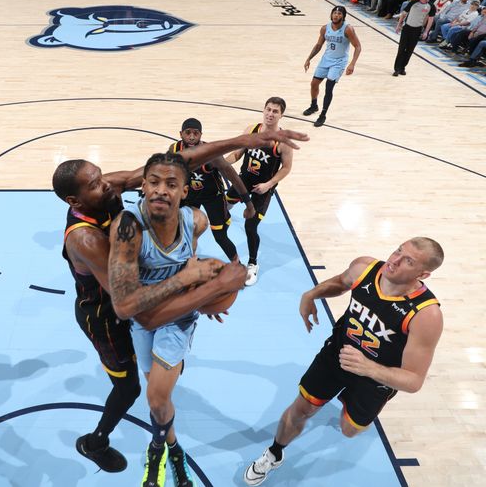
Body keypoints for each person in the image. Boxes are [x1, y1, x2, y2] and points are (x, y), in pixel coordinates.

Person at [54, 128, 310, 476]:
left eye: (101, 178)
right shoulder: (85, 239)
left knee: (158, 382)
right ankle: (96, 441)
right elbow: (129, 305)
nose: (108, 185)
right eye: (96, 185)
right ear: (76, 201)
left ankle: (162, 431)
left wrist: (242, 141)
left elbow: (174, 166)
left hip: (138, 294)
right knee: (129, 387)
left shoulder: (158, 206)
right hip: (103, 311)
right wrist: (195, 287)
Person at [243, 238, 444, 486]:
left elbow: (413, 380)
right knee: (301, 409)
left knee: (349, 430)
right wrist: (311, 294)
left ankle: (362, 402)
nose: (394, 260)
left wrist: (367, 367)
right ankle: (274, 452)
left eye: (408, 261)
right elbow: (340, 283)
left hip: (376, 377)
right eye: (398, 251)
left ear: (423, 274)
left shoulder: (426, 315)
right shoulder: (365, 268)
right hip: (338, 354)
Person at [108, 152, 230, 487]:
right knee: (158, 398)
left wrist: (206, 292)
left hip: (177, 316)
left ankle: (155, 450)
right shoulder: (129, 227)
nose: (162, 190)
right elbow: (124, 306)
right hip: (141, 317)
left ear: (185, 191)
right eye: (155, 182)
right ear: (143, 186)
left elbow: (198, 262)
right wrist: (183, 279)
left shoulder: (196, 221)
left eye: (171, 184)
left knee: (157, 397)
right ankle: (174, 450)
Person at [225, 97, 294, 286]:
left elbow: (286, 168)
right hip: (244, 180)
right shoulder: (251, 130)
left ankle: (253, 263)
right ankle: (227, 213)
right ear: (263, 110)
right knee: (224, 207)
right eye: (268, 110)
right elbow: (238, 153)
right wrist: (222, 163)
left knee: (250, 226)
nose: (270, 114)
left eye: (275, 111)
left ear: (281, 115)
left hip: (262, 189)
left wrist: (269, 184)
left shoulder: (283, 141)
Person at [170, 117, 255, 261]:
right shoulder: (174, 150)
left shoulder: (211, 155)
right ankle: (188, 262)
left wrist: (249, 204)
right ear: (181, 134)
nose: (191, 137)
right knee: (183, 230)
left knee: (220, 236)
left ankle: (237, 265)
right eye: (188, 133)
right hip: (190, 195)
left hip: (213, 197)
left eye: (195, 133)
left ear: (201, 135)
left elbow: (234, 177)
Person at [302, 5, 362, 127]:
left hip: (339, 62)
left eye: (339, 13)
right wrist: (309, 58)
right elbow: (319, 45)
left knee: (329, 87)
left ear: (343, 16)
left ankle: (323, 114)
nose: (336, 15)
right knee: (314, 84)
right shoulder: (325, 28)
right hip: (326, 59)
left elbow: (358, 46)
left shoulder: (348, 29)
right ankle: (314, 106)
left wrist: (352, 64)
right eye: (334, 13)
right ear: (331, 15)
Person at [394, 0, 436, 76]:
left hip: (417, 30)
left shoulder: (431, 6)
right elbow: (404, 14)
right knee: (401, 49)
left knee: (409, 50)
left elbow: (431, 20)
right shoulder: (413, 2)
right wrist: (399, 25)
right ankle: (397, 69)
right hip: (407, 28)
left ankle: (403, 67)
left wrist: (426, 32)